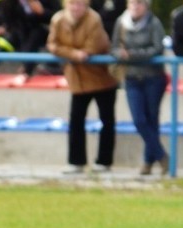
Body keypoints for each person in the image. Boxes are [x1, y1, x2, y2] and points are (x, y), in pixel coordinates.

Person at [47, 0, 118, 173]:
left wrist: (70, 52)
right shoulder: (58, 20)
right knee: (76, 120)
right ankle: (76, 161)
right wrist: (73, 54)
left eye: (79, 4)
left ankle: (104, 161)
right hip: (77, 79)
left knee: (107, 120)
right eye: (72, 4)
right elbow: (53, 45)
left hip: (102, 78)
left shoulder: (94, 20)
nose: (75, 8)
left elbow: (91, 49)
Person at [111, 0, 168, 175]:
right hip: (132, 78)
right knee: (139, 120)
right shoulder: (121, 22)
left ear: (146, 6)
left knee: (152, 119)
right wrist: (121, 55)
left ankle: (147, 163)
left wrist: (132, 55)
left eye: (140, 3)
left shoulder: (154, 23)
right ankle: (162, 156)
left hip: (153, 78)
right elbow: (113, 47)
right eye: (133, 3)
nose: (136, 6)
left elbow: (157, 49)